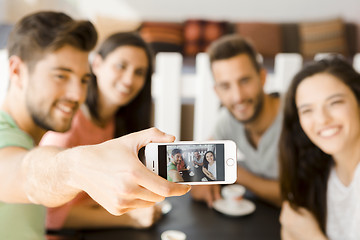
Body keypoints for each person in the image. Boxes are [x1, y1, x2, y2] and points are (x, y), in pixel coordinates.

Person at [0, 11, 190, 240]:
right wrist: (78, 167)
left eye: (83, 79)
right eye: (61, 75)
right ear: (17, 71)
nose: (77, 94)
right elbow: (26, 173)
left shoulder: (29, 139)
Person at [39, 32, 160, 231]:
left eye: (139, 72)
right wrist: (130, 218)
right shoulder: (68, 128)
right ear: (96, 64)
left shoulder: (117, 123)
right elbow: (46, 216)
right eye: (121, 66)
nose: (129, 80)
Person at [191, 34, 282, 207]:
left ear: (262, 78)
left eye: (245, 81)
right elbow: (199, 174)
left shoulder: (296, 117)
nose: (238, 97)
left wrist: (234, 172)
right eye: (225, 86)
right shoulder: (227, 119)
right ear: (217, 91)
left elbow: (299, 196)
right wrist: (205, 181)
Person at [279, 56, 360, 240]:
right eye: (307, 110)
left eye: (335, 103)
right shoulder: (320, 171)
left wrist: (311, 235)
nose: (322, 119)